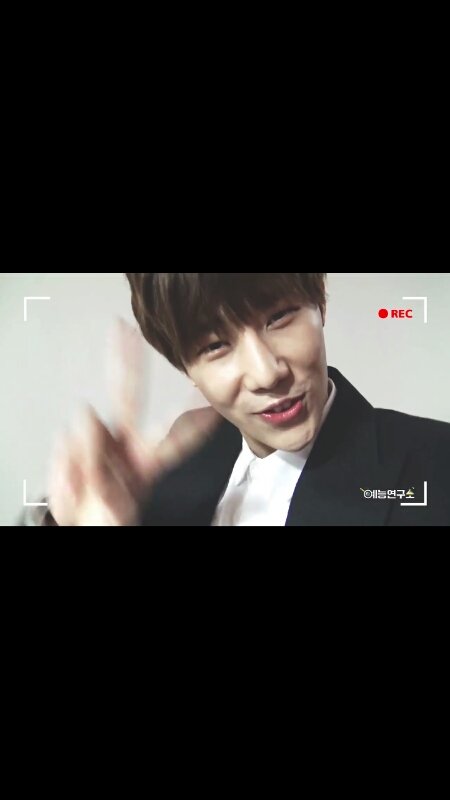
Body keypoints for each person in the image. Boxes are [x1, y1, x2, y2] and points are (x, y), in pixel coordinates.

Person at [20, 273, 450, 526]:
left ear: (319, 302)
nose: (267, 372)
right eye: (215, 345)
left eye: (279, 316)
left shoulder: (435, 464)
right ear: (185, 367)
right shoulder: (177, 462)